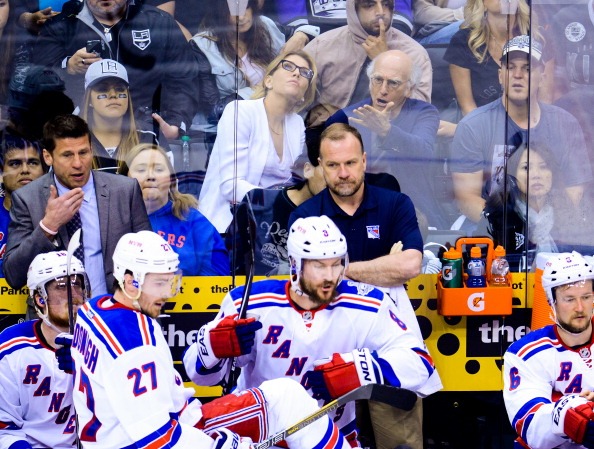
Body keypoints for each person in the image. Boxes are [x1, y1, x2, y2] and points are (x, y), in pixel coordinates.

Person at [70, 230, 352, 449]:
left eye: (172, 282)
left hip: (161, 428)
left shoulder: (94, 309)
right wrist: (223, 444)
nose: (168, 295)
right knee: (289, 403)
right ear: (130, 281)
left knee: (286, 395)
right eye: (159, 284)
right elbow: (157, 441)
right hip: (160, 437)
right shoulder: (135, 341)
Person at [184, 215, 436, 447]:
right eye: (319, 266)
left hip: (334, 435)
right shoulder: (248, 302)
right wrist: (213, 348)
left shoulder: (368, 303)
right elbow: (202, 378)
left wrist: (361, 370)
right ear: (295, 264)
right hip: (262, 437)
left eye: (337, 264)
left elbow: (421, 363)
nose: (330, 276)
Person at [289, 123, 441, 449]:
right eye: (332, 165)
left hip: (389, 334)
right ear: (320, 166)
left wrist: (339, 269)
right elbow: (308, 281)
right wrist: (383, 266)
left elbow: (410, 265)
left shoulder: (395, 204)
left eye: (350, 163)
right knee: (325, 437)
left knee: (399, 438)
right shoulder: (305, 216)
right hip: (327, 337)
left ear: (364, 161)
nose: (343, 173)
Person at [3, 114, 151, 296]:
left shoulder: (125, 191)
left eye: (83, 152)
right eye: (67, 155)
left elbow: (148, 259)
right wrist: (48, 226)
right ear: (48, 157)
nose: (78, 164)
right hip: (56, 319)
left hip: (113, 314)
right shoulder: (27, 199)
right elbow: (13, 275)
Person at [450, 35, 592, 224]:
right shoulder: (473, 126)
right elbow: (466, 196)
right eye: (510, 67)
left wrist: (545, 225)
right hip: (490, 227)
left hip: (552, 227)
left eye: (527, 68)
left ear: (542, 78)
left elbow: (574, 189)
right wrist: (505, 226)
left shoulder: (565, 123)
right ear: (501, 75)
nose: (518, 75)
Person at [31, 0, 199, 138]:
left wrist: (175, 124)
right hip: (79, 135)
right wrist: (67, 67)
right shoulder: (61, 25)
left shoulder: (159, 23)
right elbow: (36, 81)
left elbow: (182, 79)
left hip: (145, 132)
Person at [198, 50, 317, 233]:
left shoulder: (297, 124)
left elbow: (292, 181)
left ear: (304, 93)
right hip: (225, 226)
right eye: (288, 66)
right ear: (268, 80)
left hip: (270, 227)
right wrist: (282, 199)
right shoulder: (240, 111)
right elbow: (231, 186)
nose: (296, 73)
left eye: (304, 72)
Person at [325, 50, 444, 228]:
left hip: (414, 210)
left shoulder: (424, 112)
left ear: (409, 89)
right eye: (378, 80)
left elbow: (424, 153)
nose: (383, 90)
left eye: (393, 83)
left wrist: (387, 132)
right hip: (356, 211)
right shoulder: (346, 117)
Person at [503, 251, 594, 449]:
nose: (580, 307)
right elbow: (531, 428)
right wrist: (568, 415)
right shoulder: (524, 353)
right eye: (569, 299)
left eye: (586, 297)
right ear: (551, 302)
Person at [0, 250, 90, 449]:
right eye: (61, 287)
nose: (74, 294)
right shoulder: (11, 348)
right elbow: (4, 428)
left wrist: (89, 371)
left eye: (77, 284)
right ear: (40, 299)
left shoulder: (100, 341)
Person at [303, 0, 432, 128]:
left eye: (386, 5)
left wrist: (383, 59)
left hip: (386, 141)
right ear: (354, 9)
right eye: (370, 5)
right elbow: (294, 102)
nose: (381, 12)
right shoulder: (322, 47)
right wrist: (312, 115)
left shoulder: (414, 54)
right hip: (329, 136)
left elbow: (418, 116)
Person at [121, 143, 230, 276]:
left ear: (172, 180)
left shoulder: (194, 222)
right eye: (141, 170)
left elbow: (217, 282)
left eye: (159, 169)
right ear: (123, 179)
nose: (150, 176)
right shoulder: (114, 219)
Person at [481, 145, 594, 271]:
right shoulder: (498, 214)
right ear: (512, 174)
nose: (536, 175)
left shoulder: (567, 212)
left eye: (543, 167)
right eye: (526, 168)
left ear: (553, 174)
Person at [444, 0, 536, 116]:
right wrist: (489, 133)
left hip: (529, 129)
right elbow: (468, 107)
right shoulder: (464, 41)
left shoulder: (535, 38)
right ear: (482, 3)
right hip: (482, 127)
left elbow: (545, 100)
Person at [79, 59, 160, 174]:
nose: (113, 95)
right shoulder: (72, 139)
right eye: (103, 89)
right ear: (89, 99)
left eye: (120, 89)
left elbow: (167, 187)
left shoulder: (149, 136)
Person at [0, 135, 46, 277]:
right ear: (1, 172)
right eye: (15, 164)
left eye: (33, 163)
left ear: (45, 170)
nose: (25, 170)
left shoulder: (58, 212)